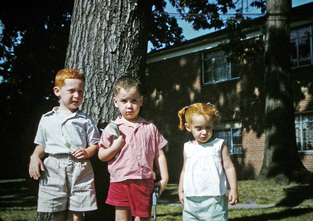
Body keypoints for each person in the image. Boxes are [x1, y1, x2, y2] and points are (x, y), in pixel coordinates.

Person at [28, 69, 100, 221]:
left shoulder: (85, 120)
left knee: (77, 212)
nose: (77, 96)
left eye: (80, 91)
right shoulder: (47, 119)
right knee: (56, 211)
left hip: (80, 168)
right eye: (72, 91)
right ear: (57, 91)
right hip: (53, 168)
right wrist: (35, 157)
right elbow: (41, 145)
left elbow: (95, 144)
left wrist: (87, 152)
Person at [98, 75, 169, 221]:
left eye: (134, 100)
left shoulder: (150, 128)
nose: (129, 106)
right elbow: (102, 155)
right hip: (119, 181)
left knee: (143, 218)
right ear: (116, 102)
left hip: (143, 181)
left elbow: (159, 154)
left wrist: (165, 178)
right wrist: (115, 147)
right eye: (124, 101)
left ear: (141, 101)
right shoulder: (112, 128)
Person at [177, 102, 238, 220]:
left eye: (208, 127)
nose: (204, 132)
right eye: (199, 128)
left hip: (215, 202)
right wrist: (180, 190)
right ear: (188, 127)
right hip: (191, 202)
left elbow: (229, 167)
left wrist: (234, 189)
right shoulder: (187, 147)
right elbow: (184, 170)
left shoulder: (219, 145)